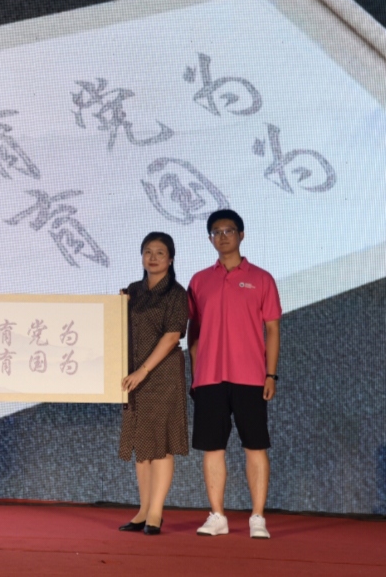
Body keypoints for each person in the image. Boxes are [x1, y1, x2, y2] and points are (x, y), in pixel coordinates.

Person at [187, 209, 281, 539]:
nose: (222, 236)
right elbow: (193, 331)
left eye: (228, 230)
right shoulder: (199, 280)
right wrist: (196, 373)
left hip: (250, 376)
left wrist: (271, 375)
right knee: (213, 448)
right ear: (210, 238)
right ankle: (217, 516)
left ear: (241, 235)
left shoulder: (262, 278)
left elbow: (272, 329)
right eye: (216, 232)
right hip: (209, 378)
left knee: (255, 446)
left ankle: (258, 517)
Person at [118, 232, 190, 536]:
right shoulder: (133, 291)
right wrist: (118, 307)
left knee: (160, 443)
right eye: (147, 251)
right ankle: (143, 510)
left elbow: (172, 336)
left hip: (161, 374)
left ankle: (156, 513)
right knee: (142, 444)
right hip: (133, 375)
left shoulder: (176, 293)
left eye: (160, 252)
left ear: (170, 258)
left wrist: (143, 370)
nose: (153, 258)